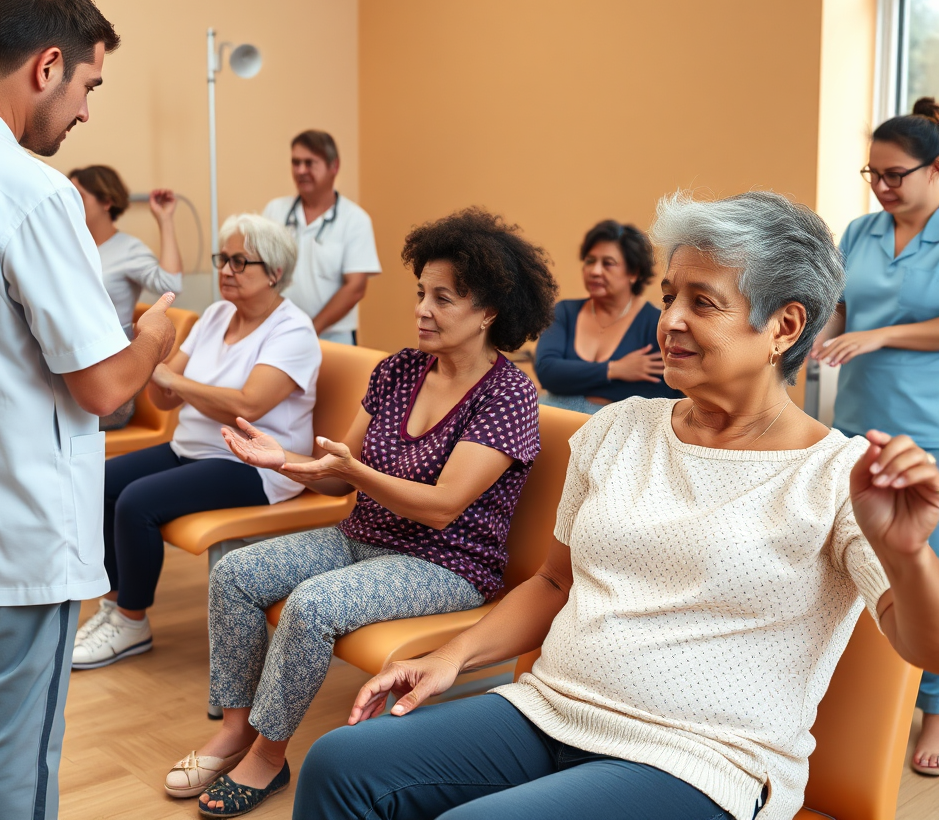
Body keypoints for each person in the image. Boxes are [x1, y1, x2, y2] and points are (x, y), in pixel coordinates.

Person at [295, 191, 939, 820]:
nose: (671, 320)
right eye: (669, 298)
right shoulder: (618, 429)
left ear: (785, 326)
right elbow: (553, 581)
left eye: (703, 302)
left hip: (699, 759)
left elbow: (924, 647)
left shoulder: (838, 476)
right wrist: (452, 656)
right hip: (552, 709)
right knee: (340, 764)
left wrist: (908, 553)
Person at [161, 208, 557, 815]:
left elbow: (443, 508)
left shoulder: (507, 396)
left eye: (443, 299)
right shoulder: (397, 370)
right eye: (421, 293)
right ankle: (236, 729)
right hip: (360, 534)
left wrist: (351, 473)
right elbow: (334, 475)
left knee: (312, 607)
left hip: (445, 564)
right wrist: (285, 462)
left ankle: (268, 756)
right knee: (235, 573)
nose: (422, 309)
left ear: (489, 312)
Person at [0, 0, 177, 820]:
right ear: (47, 65)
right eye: (89, 87)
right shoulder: (29, 191)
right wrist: (153, 340)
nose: (87, 113)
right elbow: (101, 385)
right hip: (18, 526)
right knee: (9, 741)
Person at [71, 214, 321, 669]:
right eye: (223, 258)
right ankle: (115, 602)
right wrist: (156, 370)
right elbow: (164, 396)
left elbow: (249, 405)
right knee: (101, 481)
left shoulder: (294, 331)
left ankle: (132, 621)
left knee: (136, 501)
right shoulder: (216, 314)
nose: (226, 269)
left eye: (240, 261)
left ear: (275, 273)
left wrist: (168, 376)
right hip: (193, 449)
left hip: (255, 466)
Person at [810, 103, 939, 777]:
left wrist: (881, 334)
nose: (883, 188)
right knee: (855, 562)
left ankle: (935, 714)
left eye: (895, 175)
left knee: (923, 568)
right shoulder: (860, 230)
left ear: (935, 168)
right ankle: (855, 694)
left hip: (928, 426)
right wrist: (810, 340)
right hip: (857, 421)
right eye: (873, 174)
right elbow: (838, 304)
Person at [68, 164, 184, 429]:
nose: (71, 203)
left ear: (106, 201)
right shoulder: (72, 247)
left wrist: (164, 219)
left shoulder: (127, 250)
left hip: (110, 382)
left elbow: (171, 283)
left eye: (79, 196)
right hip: (74, 367)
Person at [534, 219, 678, 412]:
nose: (595, 271)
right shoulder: (564, 312)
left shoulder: (656, 323)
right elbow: (547, 373)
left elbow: (665, 392)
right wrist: (616, 370)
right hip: (555, 414)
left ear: (633, 272)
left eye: (608, 263)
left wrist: (572, 377)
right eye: (590, 261)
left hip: (622, 426)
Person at [262, 130, 381, 344]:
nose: (300, 170)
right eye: (296, 162)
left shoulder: (355, 220)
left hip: (333, 337)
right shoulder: (275, 211)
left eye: (309, 163)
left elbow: (355, 288)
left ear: (334, 167)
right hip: (277, 332)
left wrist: (309, 328)